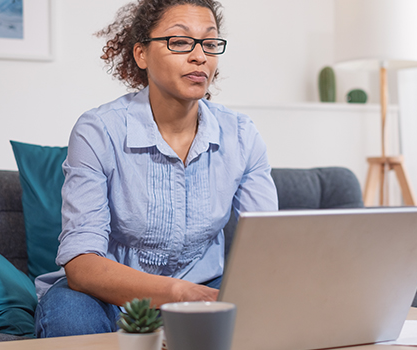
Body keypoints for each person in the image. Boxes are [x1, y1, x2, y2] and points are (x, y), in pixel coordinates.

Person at [34, 0, 278, 338]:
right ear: (141, 55)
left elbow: (268, 247)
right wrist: (179, 294)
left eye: (209, 43)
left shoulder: (241, 134)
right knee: (70, 314)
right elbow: (81, 265)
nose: (199, 56)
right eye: (179, 42)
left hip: (206, 287)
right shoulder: (98, 131)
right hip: (108, 295)